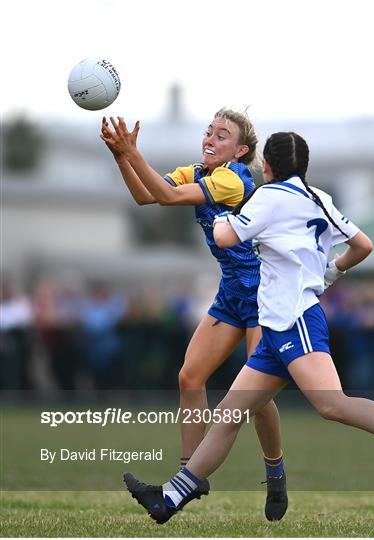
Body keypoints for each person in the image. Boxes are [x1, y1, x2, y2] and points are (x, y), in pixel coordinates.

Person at [123, 131, 374, 524]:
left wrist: (223, 207)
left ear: (268, 166)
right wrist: (331, 272)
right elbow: (363, 245)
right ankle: (169, 499)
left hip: (294, 319)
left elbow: (225, 237)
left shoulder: (267, 196)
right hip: (280, 322)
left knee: (333, 404)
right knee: (229, 413)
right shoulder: (319, 198)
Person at [100, 111, 288, 520]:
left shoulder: (233, 178)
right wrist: (122, 157)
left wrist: (134, 152)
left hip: (263, 295)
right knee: (190, 377)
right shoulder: (198, 171)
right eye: (208, 130)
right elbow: (146, 195)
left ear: (240, 150)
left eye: (222, 135)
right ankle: (190, 476)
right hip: (231, 294)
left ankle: (275, 473)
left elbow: (167, 198)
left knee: (254, 397)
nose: (210, 138)